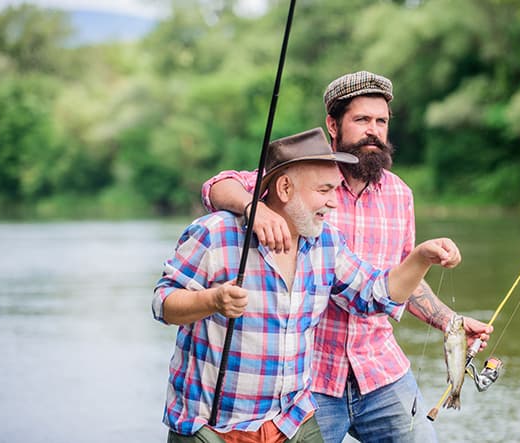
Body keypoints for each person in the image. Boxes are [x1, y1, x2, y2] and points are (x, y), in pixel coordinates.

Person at [201, 72, 493, 442]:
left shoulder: (400, 195)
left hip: (380, 369)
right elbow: (216, 185)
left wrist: (451, 322)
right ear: (333, 125)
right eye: (362, 120)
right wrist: (253, 208)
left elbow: (403, 280)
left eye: (381, 121)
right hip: (309, 378)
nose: (374, 131)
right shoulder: (304, 179)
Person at [154, 127, 463, 443]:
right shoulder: (216, 233)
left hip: (292, 424)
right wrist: (212, 301)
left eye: (336, 190)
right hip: (209, 430)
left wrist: (422, 256)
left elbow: (376, 294)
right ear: (285, 188)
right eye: (325, 190)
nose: (333, 203)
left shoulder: (326, 243)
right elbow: (163, 304)